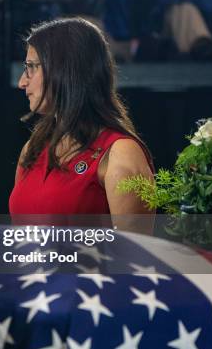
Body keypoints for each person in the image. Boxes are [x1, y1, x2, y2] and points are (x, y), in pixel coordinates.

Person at [9, 18, 154, 230]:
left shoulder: (121, 152)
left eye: (32, 67)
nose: (22, 81)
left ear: (66, 70)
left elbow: (135, 257)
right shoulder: (33, 148)